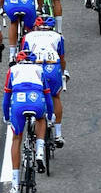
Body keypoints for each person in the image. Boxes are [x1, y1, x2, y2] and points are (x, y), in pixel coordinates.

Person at [2, 50, 51, 193]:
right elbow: (48, 97)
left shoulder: (12, 70)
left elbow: (6, 99)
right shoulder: (39, 69)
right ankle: (40, 150)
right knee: (41, 118)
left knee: (16, 138)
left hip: (18, 103)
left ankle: (15, 184)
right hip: (36, 101)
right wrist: (50, 114)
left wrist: (6, 116)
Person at [20, 15, 67, 147]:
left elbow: (23, 56)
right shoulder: (58, 36)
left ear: (36, 26)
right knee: (55, 96)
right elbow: (62, 58)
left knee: (37, 93)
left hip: (36, 68)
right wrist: (63, 73)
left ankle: (34, 122)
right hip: (52, 67)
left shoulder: (28, 36)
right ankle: (58, 134)